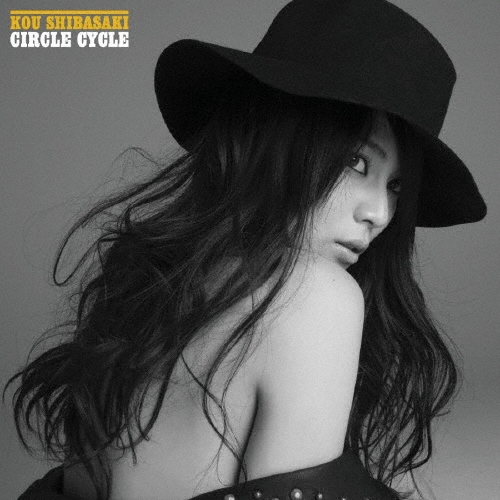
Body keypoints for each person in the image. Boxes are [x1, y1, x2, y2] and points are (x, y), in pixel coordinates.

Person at [5, 1, 486, 499]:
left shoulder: (142, 280)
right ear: (278, 135)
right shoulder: (317, 297)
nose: (380, 214)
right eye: (357, 162)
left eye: (396, 186)